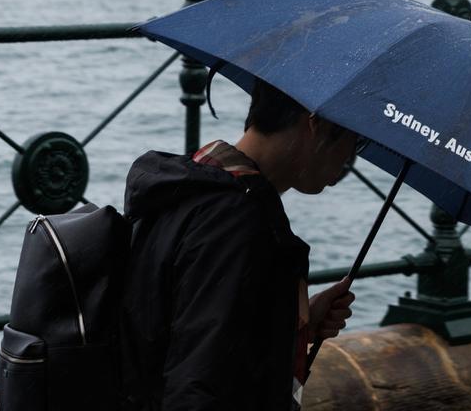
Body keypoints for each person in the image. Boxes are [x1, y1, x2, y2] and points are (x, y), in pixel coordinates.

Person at [119, 79, 359, 410]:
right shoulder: (236, 221)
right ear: (317, 124)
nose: (350, 159)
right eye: (355, 141)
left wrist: (289, 321)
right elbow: (200, 380)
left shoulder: (189, 186)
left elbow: (171, 324)